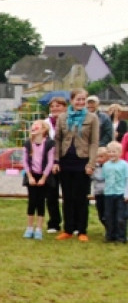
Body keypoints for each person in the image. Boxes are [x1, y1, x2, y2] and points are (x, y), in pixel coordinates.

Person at [53, 88, 99, 241]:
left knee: (81, 197)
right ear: (71, 101)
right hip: (66, 161)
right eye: (77, 99)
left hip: (83, 161)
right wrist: (56, 160)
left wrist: (91, 164)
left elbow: (94, 142)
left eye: (83, 100)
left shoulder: (92, 118)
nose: (80, 102)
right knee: (67, 197)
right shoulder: (62, 117)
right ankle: (68, 229)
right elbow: (58, 139)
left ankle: (82, 230)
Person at [22, 119, 55, 240]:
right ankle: (29, 227)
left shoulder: (50, 143)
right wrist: (30, 176)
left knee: (41, 202)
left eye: (38, 126)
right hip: (31, 176)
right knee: (32, 202)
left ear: (44, 129)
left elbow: (50, 162)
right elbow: (25, 161)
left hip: (43, 177)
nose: (34, 127)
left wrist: (44, 178)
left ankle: (39, 228)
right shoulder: (28, 143)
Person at [45, 96, 68, 232]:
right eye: (52, 106)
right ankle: (54, 222)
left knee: (68, 195)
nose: (55, 109)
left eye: (58, 106)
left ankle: (70, 223)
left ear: (65, 107)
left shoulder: (69, 122)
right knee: (51, 195)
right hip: (49, 163)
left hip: (66, 162)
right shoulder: (45, 122)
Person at [100, 141, 128, 243]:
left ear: (120, 153)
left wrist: (126, 193)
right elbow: (103, 178)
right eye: (110, 152)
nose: (112, 154)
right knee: (109, 216)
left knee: (120, 217)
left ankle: (121, 237)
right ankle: (110, 236)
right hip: (108, 194)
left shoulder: (124, 165)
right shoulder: (106, 165)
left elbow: (127, 179)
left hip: (120, 194)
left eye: (114, 152)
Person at [91, 145, 109, 234]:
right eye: (97, 156)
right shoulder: (95, 167)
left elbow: (103, 178)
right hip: (98, 193)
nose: (99, 159)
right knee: (101, 214)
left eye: (101, 156)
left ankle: (110, 229)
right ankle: (107, 228)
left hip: (108, 193)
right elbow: (92, 177)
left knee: (108, 213)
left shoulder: (109, 167)